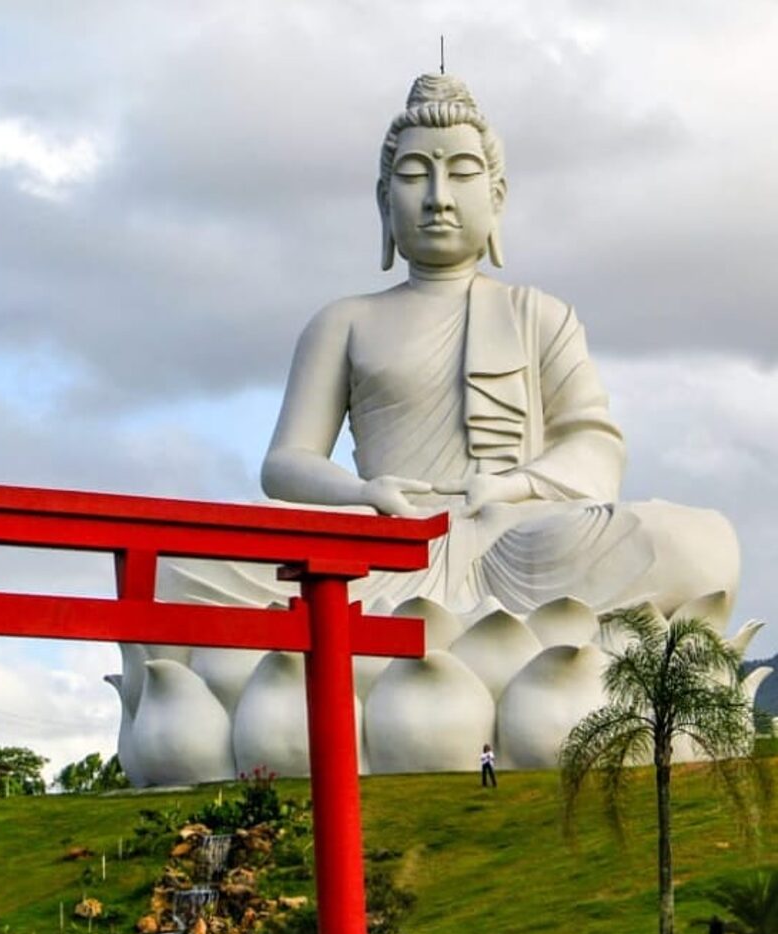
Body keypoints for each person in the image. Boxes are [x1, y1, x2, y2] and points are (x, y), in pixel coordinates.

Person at [258, 72, 738, 617]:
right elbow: (286, 463)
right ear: (383, 201)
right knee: (194, 557)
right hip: (385, 547)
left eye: (462, 174)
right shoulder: (343, 321)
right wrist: (365, 495)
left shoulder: (540, 315)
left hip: (520, 544)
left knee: (698, 545)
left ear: (496, 198)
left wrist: (513, 487)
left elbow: (595, 448)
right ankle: (532, 641)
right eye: (413, 175)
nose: (438, 199)